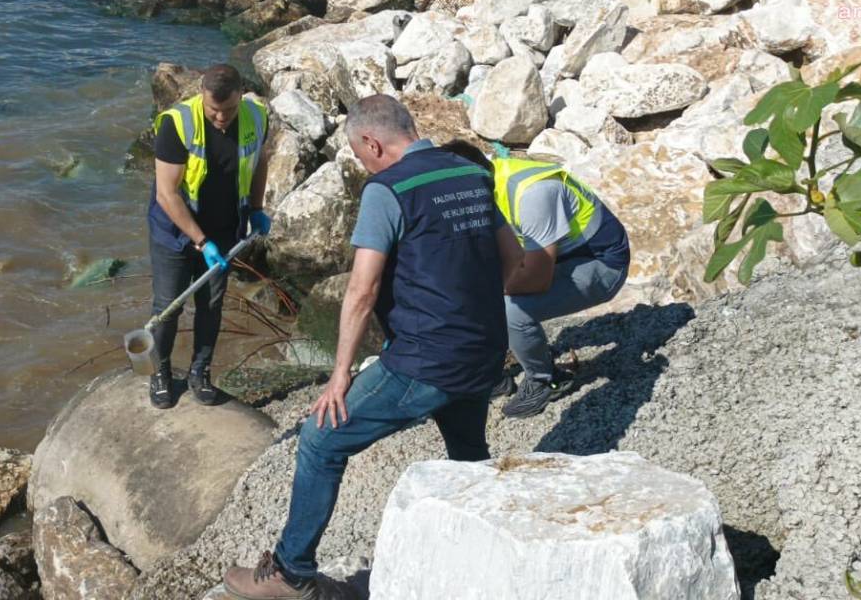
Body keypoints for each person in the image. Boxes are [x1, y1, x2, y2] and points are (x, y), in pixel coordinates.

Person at [220, 95, 522, 599]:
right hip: (484, 349)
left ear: (372, 143)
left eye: (360, 157)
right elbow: (512, 259)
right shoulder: (468, 172)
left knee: (320, 439)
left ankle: (292, 576)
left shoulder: (388, 190)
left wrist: (340, 375)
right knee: (469, 451)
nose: (363, 165)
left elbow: (362, 291)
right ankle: (484, 551)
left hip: (425, 360)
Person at [147, 64, 271, 409]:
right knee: (169, 305)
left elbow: (259, 161)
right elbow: (166, 195)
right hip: (174, 230)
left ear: (241, 97)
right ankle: (159, 372)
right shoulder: (177, 124)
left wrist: (257, 208)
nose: (220, 117)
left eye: (228, 109)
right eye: (212, 109)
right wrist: (201, 242)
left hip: (224, 227)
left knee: (211, 305)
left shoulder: (256, 116)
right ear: (201, 95)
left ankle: (200, 373)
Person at [487, 153, 632, 418]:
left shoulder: (533, 193)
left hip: (600, 262)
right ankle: (494, 374)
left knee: (511, 308)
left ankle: (547, 380)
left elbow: (537, 278)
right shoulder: (486, 184)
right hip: (560, 258)